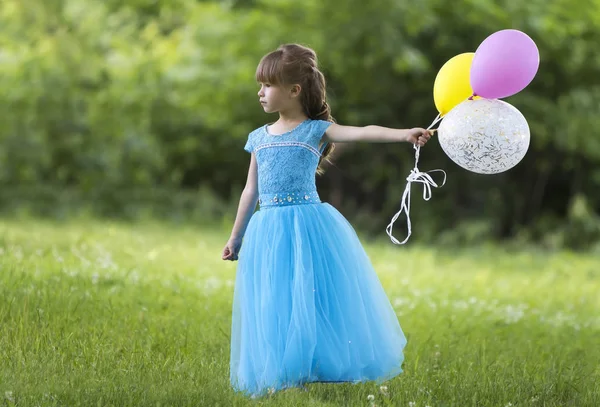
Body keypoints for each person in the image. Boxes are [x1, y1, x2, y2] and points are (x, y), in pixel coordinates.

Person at [222, 43, 432, 397]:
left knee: (309, 295)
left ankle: (307, 368)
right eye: (260, 85)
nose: (260, 92)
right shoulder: (258, 138)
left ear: (293, 90)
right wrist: (235, 237)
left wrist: (402, 134)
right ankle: (281, 374)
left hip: (308, 227)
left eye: (268, 85)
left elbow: (362, 131)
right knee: (273, 299)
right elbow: (250, 192)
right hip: (268, 229)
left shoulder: (316, 129)